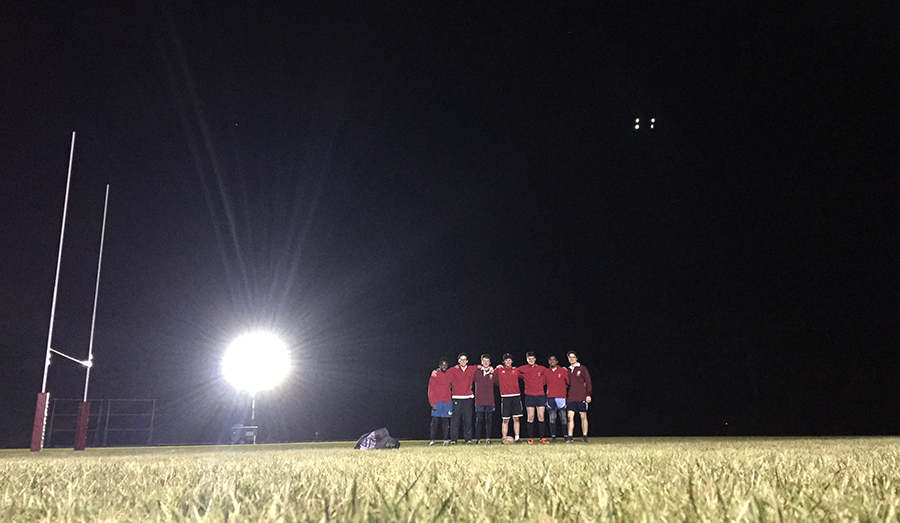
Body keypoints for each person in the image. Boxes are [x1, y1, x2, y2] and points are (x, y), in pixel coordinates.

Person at [447, 352, 479, 444]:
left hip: (468, 398)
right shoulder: (453, 370)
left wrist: (492, 368)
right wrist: (436, 370)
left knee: (468, 419)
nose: (463, 361)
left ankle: (468, 439)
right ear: (458, 361)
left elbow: (481, 366)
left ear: (467, 361)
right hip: (456, 398)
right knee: (455, 420)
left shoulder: (471, 369)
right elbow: (443, 372)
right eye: (461, 359)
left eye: (465, 359)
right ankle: (453, 439)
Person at [518, 351, 549, 444]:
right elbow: (513, 371)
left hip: (540, 395)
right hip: (529, 395)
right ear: (527, 359)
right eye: (529, 359)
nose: (531, 360)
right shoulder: (523, 369)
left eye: (532, 358)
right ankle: (530, 437)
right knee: (530, 416)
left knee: (541, 416)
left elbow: (550, 375)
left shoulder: (541, 368)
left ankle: (542, 438)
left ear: (535, 359)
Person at [494, 353, 524, 442]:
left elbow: (525, 375)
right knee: (505, 419)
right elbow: (492, 374)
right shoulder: (499, 370)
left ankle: (517, 438)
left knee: (516, 418)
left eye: (509, 360)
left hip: (516, 396)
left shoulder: (516, 370)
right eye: (506, 360)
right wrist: (496, 368)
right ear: (504, 361)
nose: (508, 362)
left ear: (512, 361)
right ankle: (504, 438)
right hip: (505, 396)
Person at [565, 351, 592, 443]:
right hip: (571, 397)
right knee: (570, 416)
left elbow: (588, 382)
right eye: (570, 357)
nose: (571, 359)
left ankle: (584, 435)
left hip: (581, 396)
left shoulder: (582, 368)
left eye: (573, 357)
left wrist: (588, 394)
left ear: (576, 358)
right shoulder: (568, 370)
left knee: (583, 416)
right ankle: (570, 436)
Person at [427, 358, 453, 445]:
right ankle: (432, 440)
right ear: (439, 366)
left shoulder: (450, 374)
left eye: (446, 365)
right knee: (435, 421)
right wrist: (432, 403)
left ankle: (445, 440)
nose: (444, 366)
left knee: (446, 421)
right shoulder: (435, 374)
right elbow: (430, 390)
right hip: (437, 401)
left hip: (447, 401)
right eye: (443, 365)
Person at [544, 354, 569, 443]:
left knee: (563, 417)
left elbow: (568, 382)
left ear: (557, 361)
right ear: (548, 362)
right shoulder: (546, 372)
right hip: (550, 397)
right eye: (550, 360)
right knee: (552, 417)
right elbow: (542, 383)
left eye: (554, 359)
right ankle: (553, 437)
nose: (552, 361)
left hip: (561, 397)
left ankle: (566, 437)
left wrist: (562, 389)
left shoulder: (563, 370)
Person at [473, 354, 496, 444]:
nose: (486, 363)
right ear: (481, 362)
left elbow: (497, 382)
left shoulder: (493, 373)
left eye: (487, 361)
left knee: (488, 420)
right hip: (479, 400)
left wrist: (494, 372)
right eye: (484, 361)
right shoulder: (477, 372)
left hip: (489, 400)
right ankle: (478, 439)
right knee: (479, 420)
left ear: (489, 363)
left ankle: (488, 439)